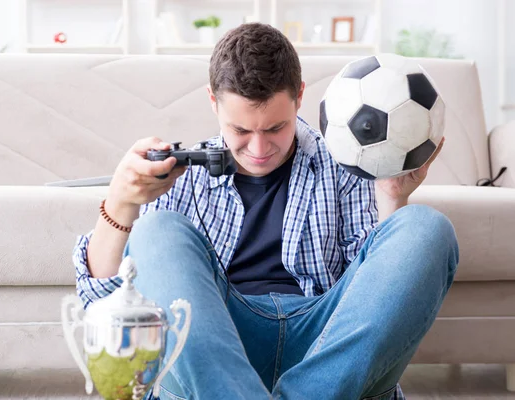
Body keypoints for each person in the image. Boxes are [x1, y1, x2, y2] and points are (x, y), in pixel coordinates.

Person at [73, 22, 458, 400]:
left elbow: (375, 298)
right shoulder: (180, 177)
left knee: (426, 227)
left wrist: (391, 197)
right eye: (240, 130)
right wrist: (121, 202)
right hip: (218, 347)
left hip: (324, 347)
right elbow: (101, 302)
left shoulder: (350, 157)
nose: (259, 149)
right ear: (213, 101)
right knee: (156, 229)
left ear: (299, 96)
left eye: (276, 127)